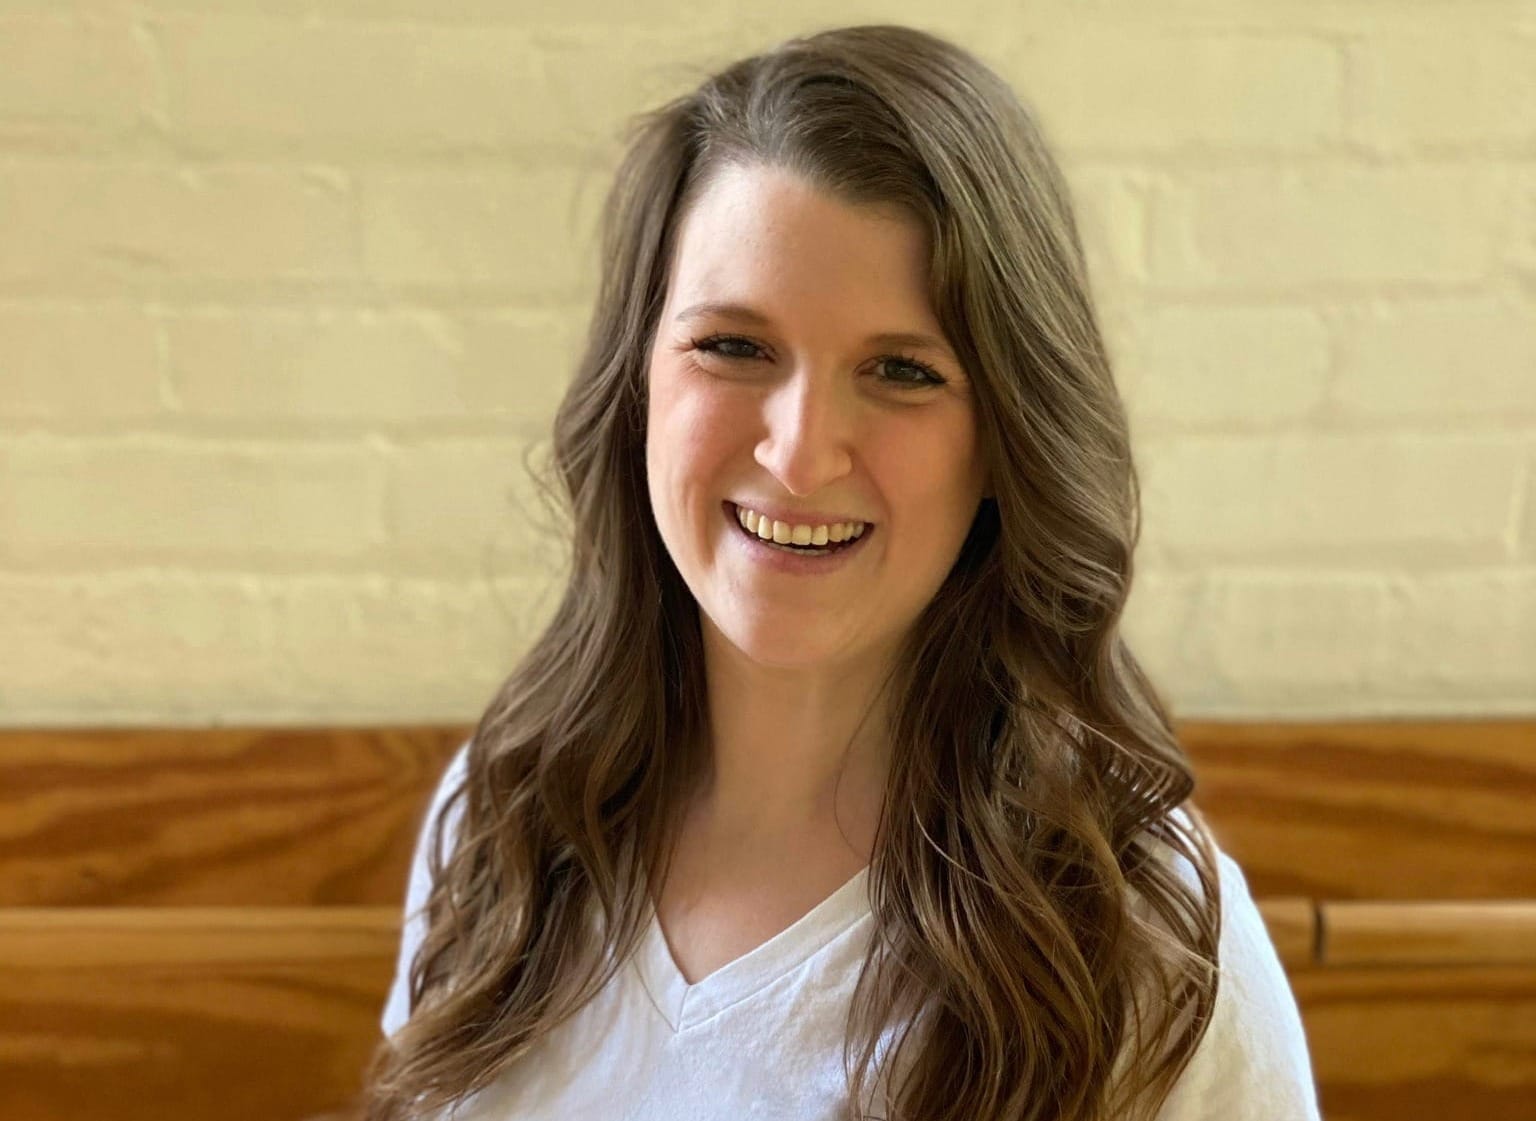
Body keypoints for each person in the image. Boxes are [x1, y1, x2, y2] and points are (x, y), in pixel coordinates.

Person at [363, 24, 1321, 1121]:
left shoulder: (1139, 933)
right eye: (733, 346)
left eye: (902, 370)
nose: (800, 452)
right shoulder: (510, 811)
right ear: (637, 383)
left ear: (1009, 437)